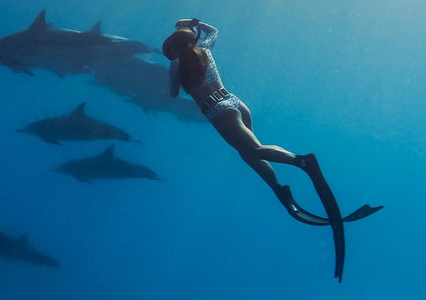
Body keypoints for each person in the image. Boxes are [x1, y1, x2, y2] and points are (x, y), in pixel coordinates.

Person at [162, 18, 382, 281]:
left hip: (217, 111)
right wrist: (193, 23)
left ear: (173, 50)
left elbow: (174, 94)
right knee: (248, 153)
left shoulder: (176, 64)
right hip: (234, 101)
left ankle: (300, 162)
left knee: (253, 150)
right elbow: (214, 31)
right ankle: (280, 190)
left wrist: (175, 72)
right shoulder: (205, 50)